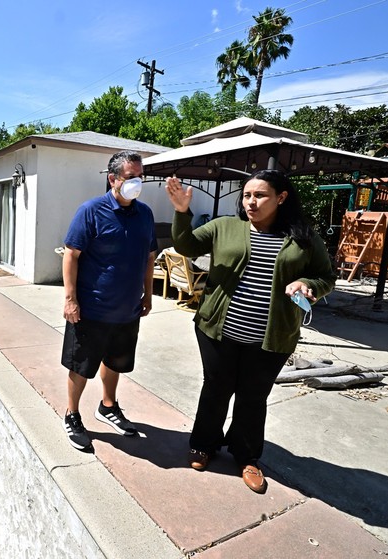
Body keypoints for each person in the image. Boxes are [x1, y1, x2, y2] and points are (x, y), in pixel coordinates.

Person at [164, 169, 335, 493]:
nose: (251, 201)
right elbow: (185, 245)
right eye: (246, 195)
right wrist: (182, 211)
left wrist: (307, 283)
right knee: (215, 388)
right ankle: (204, 443)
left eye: (260, 195)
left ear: (281, 198)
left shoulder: (303, 237)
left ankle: (246, 456)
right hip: (218, 329)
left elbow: (326, 277)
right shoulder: (225, 227)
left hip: (273, 335)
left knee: (253, 397)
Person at [60, 150, 158, 452]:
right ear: (113, 178)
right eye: (131, 177)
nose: (137, 183)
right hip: (92, 309)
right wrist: (70, 299)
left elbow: (149, 257)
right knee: (81, 365)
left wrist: (148, 294)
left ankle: (108, 405)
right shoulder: (91, 211)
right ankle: (72, 414)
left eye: (140, 177)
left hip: (127, 311)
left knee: (115, 361)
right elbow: (71, 255)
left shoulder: (145, 214)